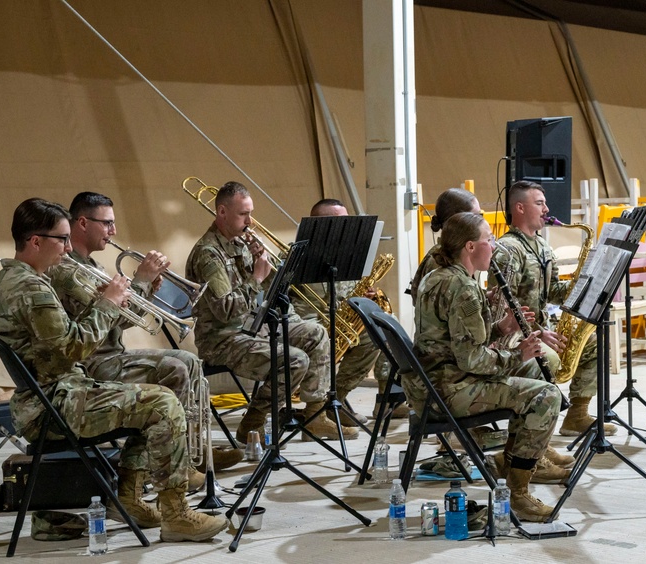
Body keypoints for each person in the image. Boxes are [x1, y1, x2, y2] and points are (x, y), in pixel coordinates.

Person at [0, 198, 227, 541]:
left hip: (58, 395)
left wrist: (111, 302)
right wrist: (108, 302)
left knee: (155, 398)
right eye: (62, 239)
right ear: (35, 241)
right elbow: (77, 347)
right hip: (55, 406)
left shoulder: (22, 280)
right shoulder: (30, 288)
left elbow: (66, 343)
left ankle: (130, 497)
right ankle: (176, 515)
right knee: (163, 404)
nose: (68, 248)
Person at [48, 192, 243, 482]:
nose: (113, 231)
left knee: (189, 362)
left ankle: (190, 451)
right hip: (94, 364)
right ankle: (168, 463)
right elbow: (95, 327)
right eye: (108, 223)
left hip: (110, 356)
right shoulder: (69, 270)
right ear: (83, 223)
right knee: (176, 368)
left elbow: (115, 323)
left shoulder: (91, 265)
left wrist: (146, 289)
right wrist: (139, 281)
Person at [413, 211, 562, 521]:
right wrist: (517, 354)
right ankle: (518, 494)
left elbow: (456, 341)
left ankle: (511, 461)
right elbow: (473, 359)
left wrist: (501, 329)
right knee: (546, 396)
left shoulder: (439, 275)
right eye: (489, 240)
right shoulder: (463, 288)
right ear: (470, 247)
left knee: (536, 370)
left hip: (434, 381)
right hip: (451, 389)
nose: (493, 246)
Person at [185, 181, 343, 444]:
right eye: (243, 214)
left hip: (252, 326)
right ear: (222, 212)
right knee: (295, 361)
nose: (250, 221)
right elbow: (226, 311)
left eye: (251, 213)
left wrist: (267, 269)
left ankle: (316, 417)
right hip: (222, 338)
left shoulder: (240, 243)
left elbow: (272, 293)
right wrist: (256, 278)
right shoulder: (208, 254)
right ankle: (253, 424)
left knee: (315, 333)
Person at [490, 180, 615, 437]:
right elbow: (502, 305)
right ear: (520, 208)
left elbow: (552, 292)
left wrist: (584, 284)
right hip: (514, 334)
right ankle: (535, 433)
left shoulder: (543, 246)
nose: (547, 208)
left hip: (541, 327)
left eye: (544, 203)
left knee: (591, 342)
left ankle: (577, 415)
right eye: (539, 203)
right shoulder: (507, 250)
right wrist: (537, 332)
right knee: (551, 358)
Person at [289, 198, 391, 428]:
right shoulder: (295, 257)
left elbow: (348, 296)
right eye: (339, 224)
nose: (346, 231)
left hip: (337, 322)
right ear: (317, 226)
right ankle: (319, 407)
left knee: (375, 334)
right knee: (319, 336)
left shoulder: (349, 257)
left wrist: (363, 298)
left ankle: (335, 398)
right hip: (306, 325)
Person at [409, 188, 481, 306]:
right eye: (475, 216)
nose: (480, 222)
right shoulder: (440, 260)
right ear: (457, 221)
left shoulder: (456, 253)